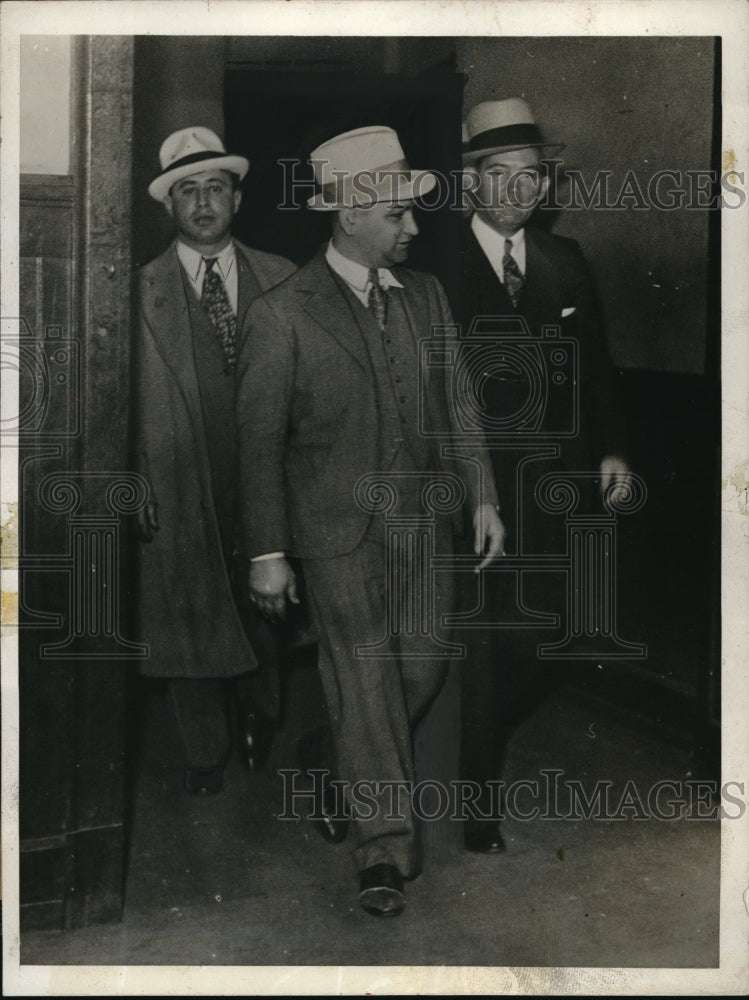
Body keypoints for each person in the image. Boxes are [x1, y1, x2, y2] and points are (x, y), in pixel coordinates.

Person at [235, 125, 504, 916]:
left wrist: (483, 495)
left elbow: (458, 403)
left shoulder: (424, 296)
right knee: (363, 679)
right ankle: (382, 853)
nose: (411, 227)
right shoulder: (281, 314)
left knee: (419, 670)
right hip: (332, 534)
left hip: (423, 523)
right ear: (349, 213)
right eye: (395, 214)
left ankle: (332, 758)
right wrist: (267, 552)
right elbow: (256, 444)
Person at [457, 98, 631, 852]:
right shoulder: (430, 261)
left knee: (550, 632)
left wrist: (612, 448)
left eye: (530, 176)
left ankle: (446, 750)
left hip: (555, 484)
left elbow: (597, 367)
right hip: (471, 489)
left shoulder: (565, 260)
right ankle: (474, 801)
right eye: (500, 174)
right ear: (471, 182)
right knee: (482, 645)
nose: (517, 190)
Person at [133, 126, 296, 795]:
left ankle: (261, 714)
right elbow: (115, 399)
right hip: (176, 475)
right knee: (187, 607)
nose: (203, 203)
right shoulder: (135, 290)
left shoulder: (283, 277)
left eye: (216, 188)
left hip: (267, 474)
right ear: (168, 205)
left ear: (237, 198)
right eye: (187, 191)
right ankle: (204, 748)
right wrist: (131, 477)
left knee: (268, 604)